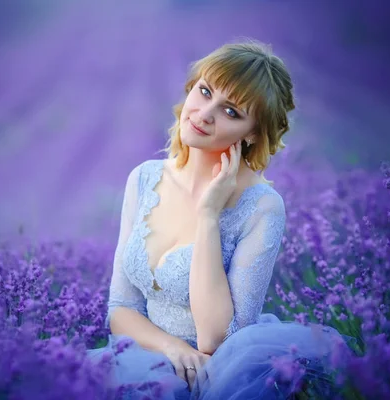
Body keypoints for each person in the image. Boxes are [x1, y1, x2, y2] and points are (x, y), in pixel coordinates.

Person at [87, 39, 355, 399]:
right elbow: (121, 308)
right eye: (204, 91)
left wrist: (209, 215)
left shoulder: (262, 207)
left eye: (231, 112)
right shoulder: (145, 178)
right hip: (144, 356)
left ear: (254, 134)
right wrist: (170, 348)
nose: (203, 114)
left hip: (213, 376)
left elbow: (217, 339)